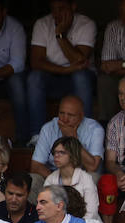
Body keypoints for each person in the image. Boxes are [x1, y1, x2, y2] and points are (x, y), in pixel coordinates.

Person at [26, 0, 96, 140]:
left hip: (80, 80)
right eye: (54, 9)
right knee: (34, 78)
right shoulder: (43, 24)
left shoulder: (86, 24)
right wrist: (64, 70)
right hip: (53, 78)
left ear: (73, 6)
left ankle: (84, 135)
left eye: (61, 8)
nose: (57, 13)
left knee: (80, 76)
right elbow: (36, 62)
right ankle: (37, 136)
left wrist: (60, 35)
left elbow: (79, 61)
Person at [29, 95, 104, 178]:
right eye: (62, 113)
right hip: (55, 176)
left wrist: (73, 138)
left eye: (70, 115)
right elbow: (36, 165)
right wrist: (58, 182)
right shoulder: (48, 128)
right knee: (34, 178)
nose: (65, 119)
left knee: (93, 177)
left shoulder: (95, 129)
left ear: (81, 116)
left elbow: (92, 167)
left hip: (83, 176)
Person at [44, 137, 98, 219]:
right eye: (54, 152)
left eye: (61, 152)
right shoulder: (50, 179)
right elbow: (45, 207)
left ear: (72, 155)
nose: (56, 156)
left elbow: (91, 212)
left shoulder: (86, 178)